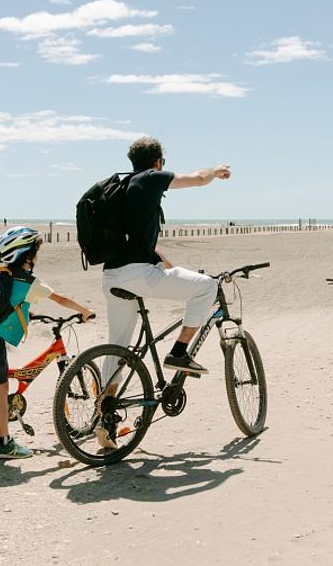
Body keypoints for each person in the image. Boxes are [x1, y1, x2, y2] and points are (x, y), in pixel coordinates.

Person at [97, 136, 231, 448]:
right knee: (207, 287)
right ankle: (179, 352)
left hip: (111, 276)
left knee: (117, 345)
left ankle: (105, 417)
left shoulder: (125, 187)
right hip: (138, 275)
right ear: (158, 162)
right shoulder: (152, 179)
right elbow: (197, 179)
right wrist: (216, 170)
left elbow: (147, 246)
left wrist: (172, 267)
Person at [0, 226, 94, 459]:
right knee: (1, 386)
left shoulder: (2, 275)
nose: (36, 256)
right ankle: (3, 443)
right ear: (26, 256)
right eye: (35, 252)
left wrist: (27, 316)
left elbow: (9, 304)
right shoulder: (27, 282)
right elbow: (60, 298)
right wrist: (85, 311)